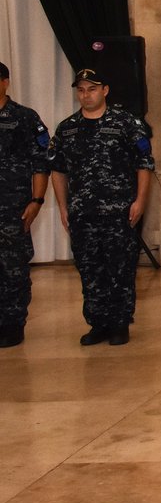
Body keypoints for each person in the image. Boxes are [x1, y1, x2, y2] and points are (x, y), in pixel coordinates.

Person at [48, 69, 154, 346]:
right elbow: (58, 170)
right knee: (89, 269)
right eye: (81, 89)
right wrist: (63, 207)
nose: (86, 94)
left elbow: (144, 164)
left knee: (120, 267)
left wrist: (140, 201)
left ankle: (120, 323)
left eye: (92, 89)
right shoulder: (67, 128)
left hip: (119, 211)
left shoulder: (126, 123)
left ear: (105, 90)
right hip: (82, 212)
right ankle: (98, 323)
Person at [0, 61, 50, 348]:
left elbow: (40, 162)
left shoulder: (24, 118)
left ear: (6, 82)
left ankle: (13, 323)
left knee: (13, 269)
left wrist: (37, 200)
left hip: (12, 207)